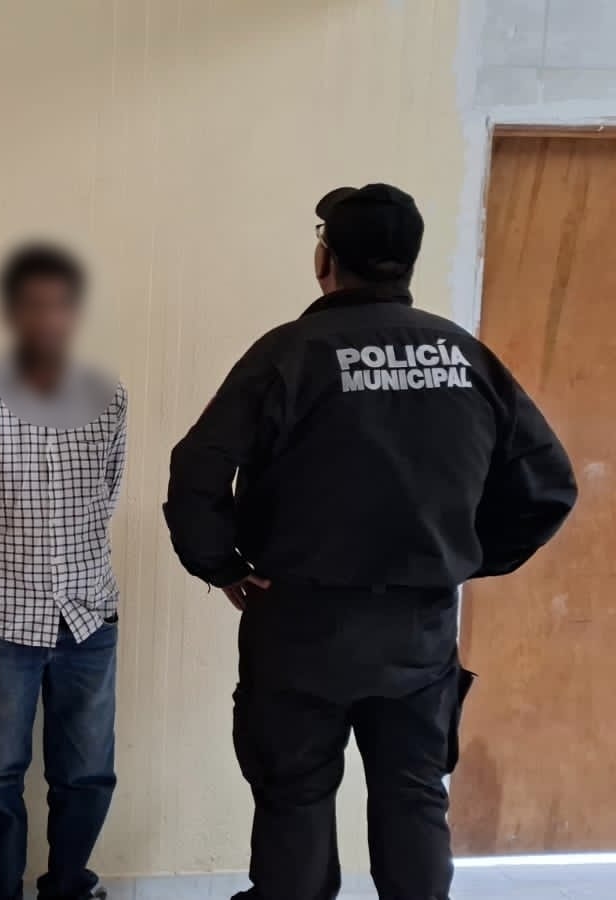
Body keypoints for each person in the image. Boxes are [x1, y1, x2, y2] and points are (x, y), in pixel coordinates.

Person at [164, 184, 578, 900]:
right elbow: (549, 485)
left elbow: (198, 467)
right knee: (413, 799)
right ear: (409, 262)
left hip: (298, 626)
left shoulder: (288, 354)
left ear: (325, 259)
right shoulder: (464, 357)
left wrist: (223, 565)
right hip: (417, 633)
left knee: (295, 800)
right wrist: (466, 556)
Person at [0, 244, 124, 900]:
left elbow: (107, 495)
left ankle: (69, 885)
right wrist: (11, 568)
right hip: (5, 616)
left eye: (59, 305)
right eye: (32, 305)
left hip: (89, 614)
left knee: (87, 774)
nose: (47, 318)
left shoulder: (108, 395)